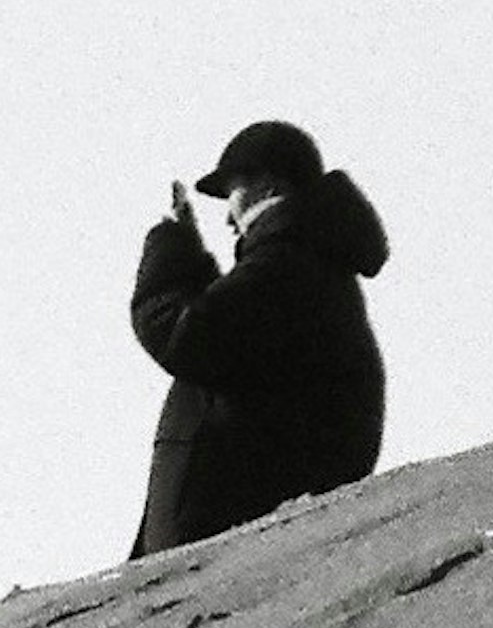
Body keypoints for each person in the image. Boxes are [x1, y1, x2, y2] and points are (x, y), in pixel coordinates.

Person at [124, 119, 390, 557]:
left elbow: (186, 337)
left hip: (244, 518)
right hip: (271, 506)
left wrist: (168, 245)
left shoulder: (287, 262)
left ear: (266, 186)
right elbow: (231, 338)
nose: (228, 216)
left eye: (232, 193)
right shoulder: (308, 261)